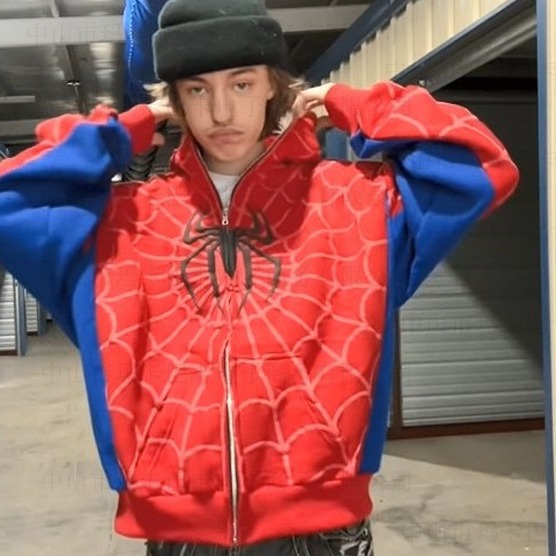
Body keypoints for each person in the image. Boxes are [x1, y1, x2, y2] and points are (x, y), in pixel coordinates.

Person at [0, 0, 519, 554]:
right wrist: (125, 129)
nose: (221, 111)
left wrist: (352, 105)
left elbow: (481, 166)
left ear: (274, 84)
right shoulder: (121, 221)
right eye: (197, 89)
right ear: (174, 100)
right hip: (177, 530)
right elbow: (11, 199)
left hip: (321, 529)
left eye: (242, 84)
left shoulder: (355, 202)